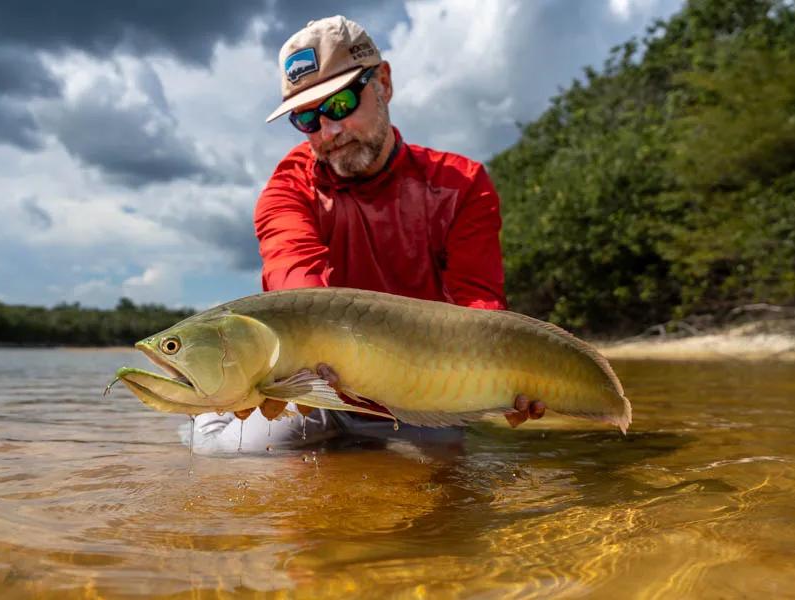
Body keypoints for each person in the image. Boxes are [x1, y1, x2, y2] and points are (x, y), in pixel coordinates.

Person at [186, 15, 543, 453]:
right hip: (315, 386)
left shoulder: (462, 185)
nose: (329, 131)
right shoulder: (287, 190)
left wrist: (509, 366)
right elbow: (297, 286)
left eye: (340, 105)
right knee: (226, 455)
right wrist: (310, 365)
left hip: (417, 389)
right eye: (307, 119)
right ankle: (210, 412)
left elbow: (478, 303)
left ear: (384, 84)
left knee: (452, 470)